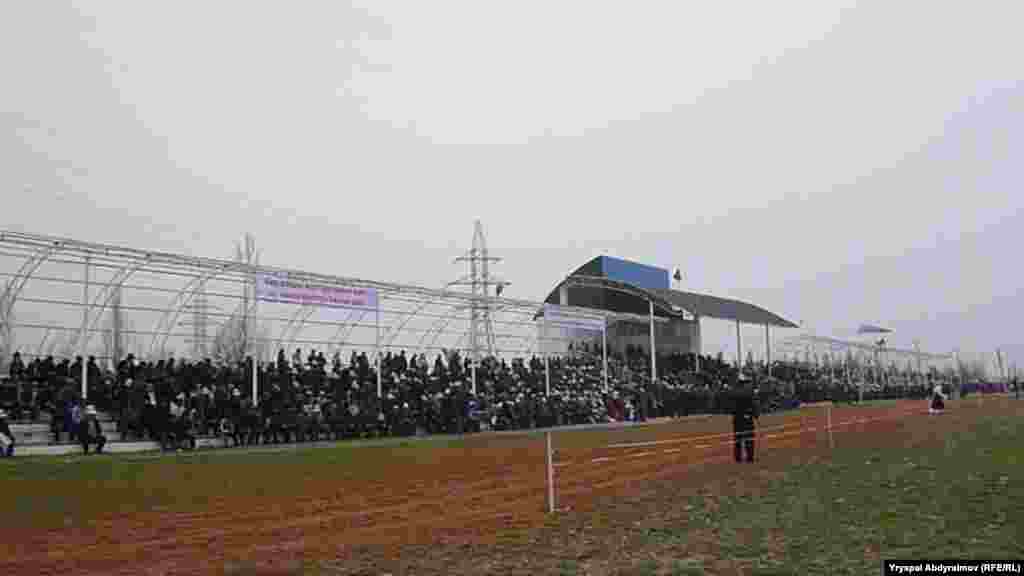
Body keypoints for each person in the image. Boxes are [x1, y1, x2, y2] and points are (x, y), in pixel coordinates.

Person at [731, 375, 759, 463]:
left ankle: (738, 457)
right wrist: (755, 414)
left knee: (738, 439)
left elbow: (731, 407)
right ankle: (749, 457)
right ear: (745, 383)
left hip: (737, 419)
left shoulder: (734, 392)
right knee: (749, 439)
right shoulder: (749, 392)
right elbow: (754, 404)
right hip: (747, 418)